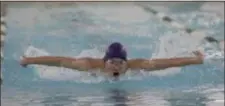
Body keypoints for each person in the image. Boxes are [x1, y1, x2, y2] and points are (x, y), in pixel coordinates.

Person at [20, 42, 204, 78]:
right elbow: (59, 61)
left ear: (127, 61)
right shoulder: (88, 65)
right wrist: (30, 60)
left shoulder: (138, 65)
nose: (116, 66)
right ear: (104, 61)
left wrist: (196, 60)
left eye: (120, 62)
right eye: (112, 62)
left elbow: (170, 62)